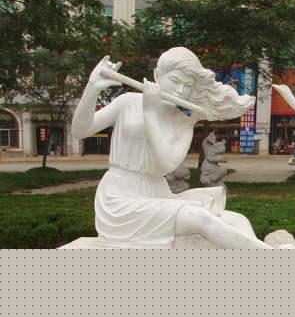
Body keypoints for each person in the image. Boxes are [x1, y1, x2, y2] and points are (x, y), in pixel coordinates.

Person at [72, 49, 272, 248]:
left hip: (157, 193)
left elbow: (167, 163)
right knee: (199, 218)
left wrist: (151, 114)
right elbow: (80, 130)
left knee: (236, 219)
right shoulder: (128, 102)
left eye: (188, 86)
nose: (180, 90)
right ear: (157, 75)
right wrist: (92, 88)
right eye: (175, 81)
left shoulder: (183, 122)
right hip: (119, 198)